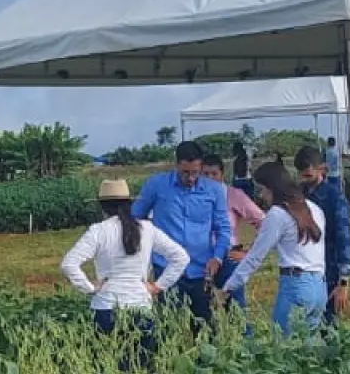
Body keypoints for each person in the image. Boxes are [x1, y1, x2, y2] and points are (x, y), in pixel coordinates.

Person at [60, 179, 188, 369]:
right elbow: (181, 257)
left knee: (108, 365)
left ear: (102, 206)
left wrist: (89, 288)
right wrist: (158, 286)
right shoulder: (147, 229)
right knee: (140, 365)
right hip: (140, 306)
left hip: (106, 307)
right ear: (129, 203)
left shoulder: (98, 231)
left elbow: (69, 264)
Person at [219, 162, 327, 336]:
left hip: (295, 285)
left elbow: (255, 258)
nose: (261, 195)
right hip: (319, 286)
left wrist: (229, 286)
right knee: (309, 346)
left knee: (282, 344)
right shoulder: (314, 209)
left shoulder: (277, 214)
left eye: (263, 189)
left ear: (273, 188)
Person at [130, 141, 230, 323]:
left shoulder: (214, 190)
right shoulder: (156, 185)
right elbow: (135, 217)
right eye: (185, 172)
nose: (190, 178)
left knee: (205, 327)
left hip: (201, 269)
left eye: (195, 172)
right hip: (167, 267)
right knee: (169, 325)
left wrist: (218, 257)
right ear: (176, 165)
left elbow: (223, 228)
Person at [293, 145, 350, 323]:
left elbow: (344, 238)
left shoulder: (335, 198)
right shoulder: (297, 196)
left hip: (329, 271)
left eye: (308, 176)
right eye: (301, 175)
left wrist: (343, 281)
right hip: (302, 270)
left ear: (322, 169)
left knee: (327, 324)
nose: (303, 180)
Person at [203, 154, 264, 311]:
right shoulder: (194, 196)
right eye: (205, 174)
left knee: (235, 310)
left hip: (228, 257)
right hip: (201, 258)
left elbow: (263, 221)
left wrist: (249, 253)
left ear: (222, 174)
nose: (210, 178)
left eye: (214, 174)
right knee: (204, 309)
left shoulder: (233, 195)